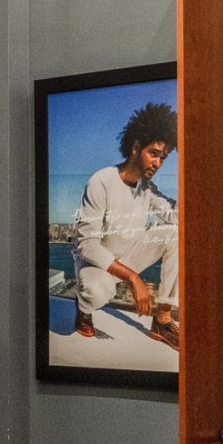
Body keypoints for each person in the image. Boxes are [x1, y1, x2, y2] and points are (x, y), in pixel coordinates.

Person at [70, 101, 180, 350]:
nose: (159, 163)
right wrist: (133, 278)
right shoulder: (101, 181)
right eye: (154, 153)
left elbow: (176, 217)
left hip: (128, 256)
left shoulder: (147, 188)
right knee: (99, 292)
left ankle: (162, 320)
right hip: (95, 264)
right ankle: (83, 307)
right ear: (135, 147)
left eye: (163, 157)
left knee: (175, 234)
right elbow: (86, 245)